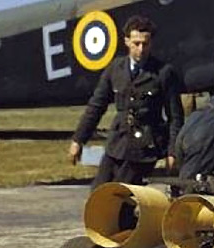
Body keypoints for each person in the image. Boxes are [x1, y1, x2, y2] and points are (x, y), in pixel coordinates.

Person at [69, 15, 184, 187]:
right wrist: (79, 140)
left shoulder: (163, 73)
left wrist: (172, 152)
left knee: (121, 197)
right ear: (127, 41)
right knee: (98, 194)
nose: (141, 49)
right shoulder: (116, 69)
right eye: (136, 43)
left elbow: (175, 117)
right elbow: (96, 106)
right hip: (117, 143)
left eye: (145, 44)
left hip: (145, 147)